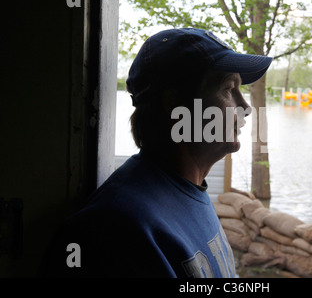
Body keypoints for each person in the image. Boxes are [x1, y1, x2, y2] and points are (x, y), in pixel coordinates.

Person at [40, 28, 272, 277]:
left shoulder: (188, 190)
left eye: (240, 89)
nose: (245, 108)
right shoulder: (113, 230)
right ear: (174, 102)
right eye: (228, 89)